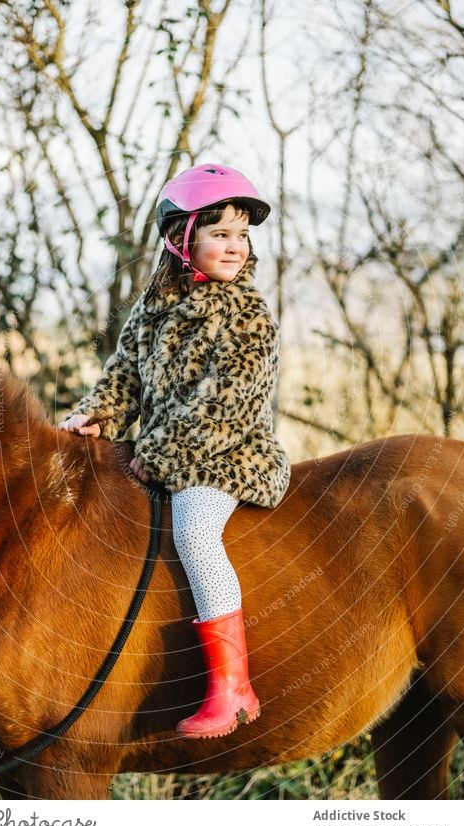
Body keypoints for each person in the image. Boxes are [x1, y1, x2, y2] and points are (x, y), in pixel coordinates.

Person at [58, 163, 291, 739]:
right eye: (219, 233)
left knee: (194, 532)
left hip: (226, 457)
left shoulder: (249, 316)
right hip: (160, 450)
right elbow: (127, 372)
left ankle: (234, 687)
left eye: (242, 234)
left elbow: (223, 407)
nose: (235, 246)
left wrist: (155, 454)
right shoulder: (154, 305)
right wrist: (99, 413)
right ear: (182, 239)